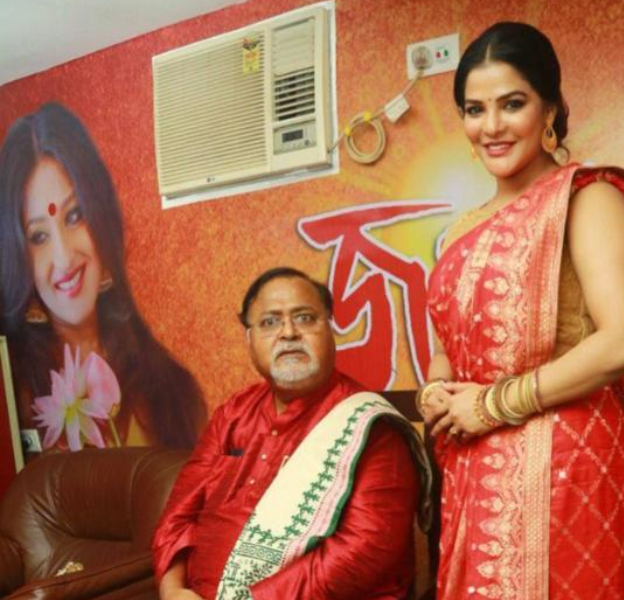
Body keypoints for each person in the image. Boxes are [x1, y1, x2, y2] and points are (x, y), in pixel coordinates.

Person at [420, 23, 624, 599]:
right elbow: (447, 352)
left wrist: (493, 405)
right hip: (473, 463)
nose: (491, 126)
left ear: (549, 108)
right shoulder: (460, 231)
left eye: (512, 104)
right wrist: (436, 394)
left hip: (564, 464)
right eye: (475, 110)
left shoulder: (587, 199)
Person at [152, 267, 430, 600]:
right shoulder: (233, 414)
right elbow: (178, 513)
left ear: (329, 329)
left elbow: (364, 552)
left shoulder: (371, 427)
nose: (288, 333)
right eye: (270, 322)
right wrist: (172, 590)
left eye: (305, 318)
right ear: (250, 340)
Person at [0, 102, 206, 450]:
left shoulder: (171, 388)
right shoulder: (16, 395)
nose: (64, 257)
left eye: (74, 216)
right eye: (38, 236)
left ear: (101, 215)